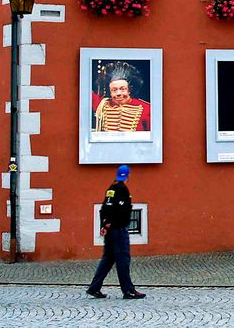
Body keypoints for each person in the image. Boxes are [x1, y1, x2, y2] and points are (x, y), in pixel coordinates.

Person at [87, 164, 145, 300]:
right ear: (128, 175)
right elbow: (121, 211)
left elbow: (104, 208)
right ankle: (128, 290)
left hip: (110, 230)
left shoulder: (111, 189)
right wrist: (112, 223)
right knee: (123, 259)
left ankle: (94, 288)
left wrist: (104, 225)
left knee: (108, 259)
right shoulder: (122, 189)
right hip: (119, 230)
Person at [92, 64, 151, 133]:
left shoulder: (147, 109)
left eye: (123, 89)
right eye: (114, 90)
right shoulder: (102, 105)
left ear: (129, 90)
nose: (118, 93)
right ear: (110, 92)